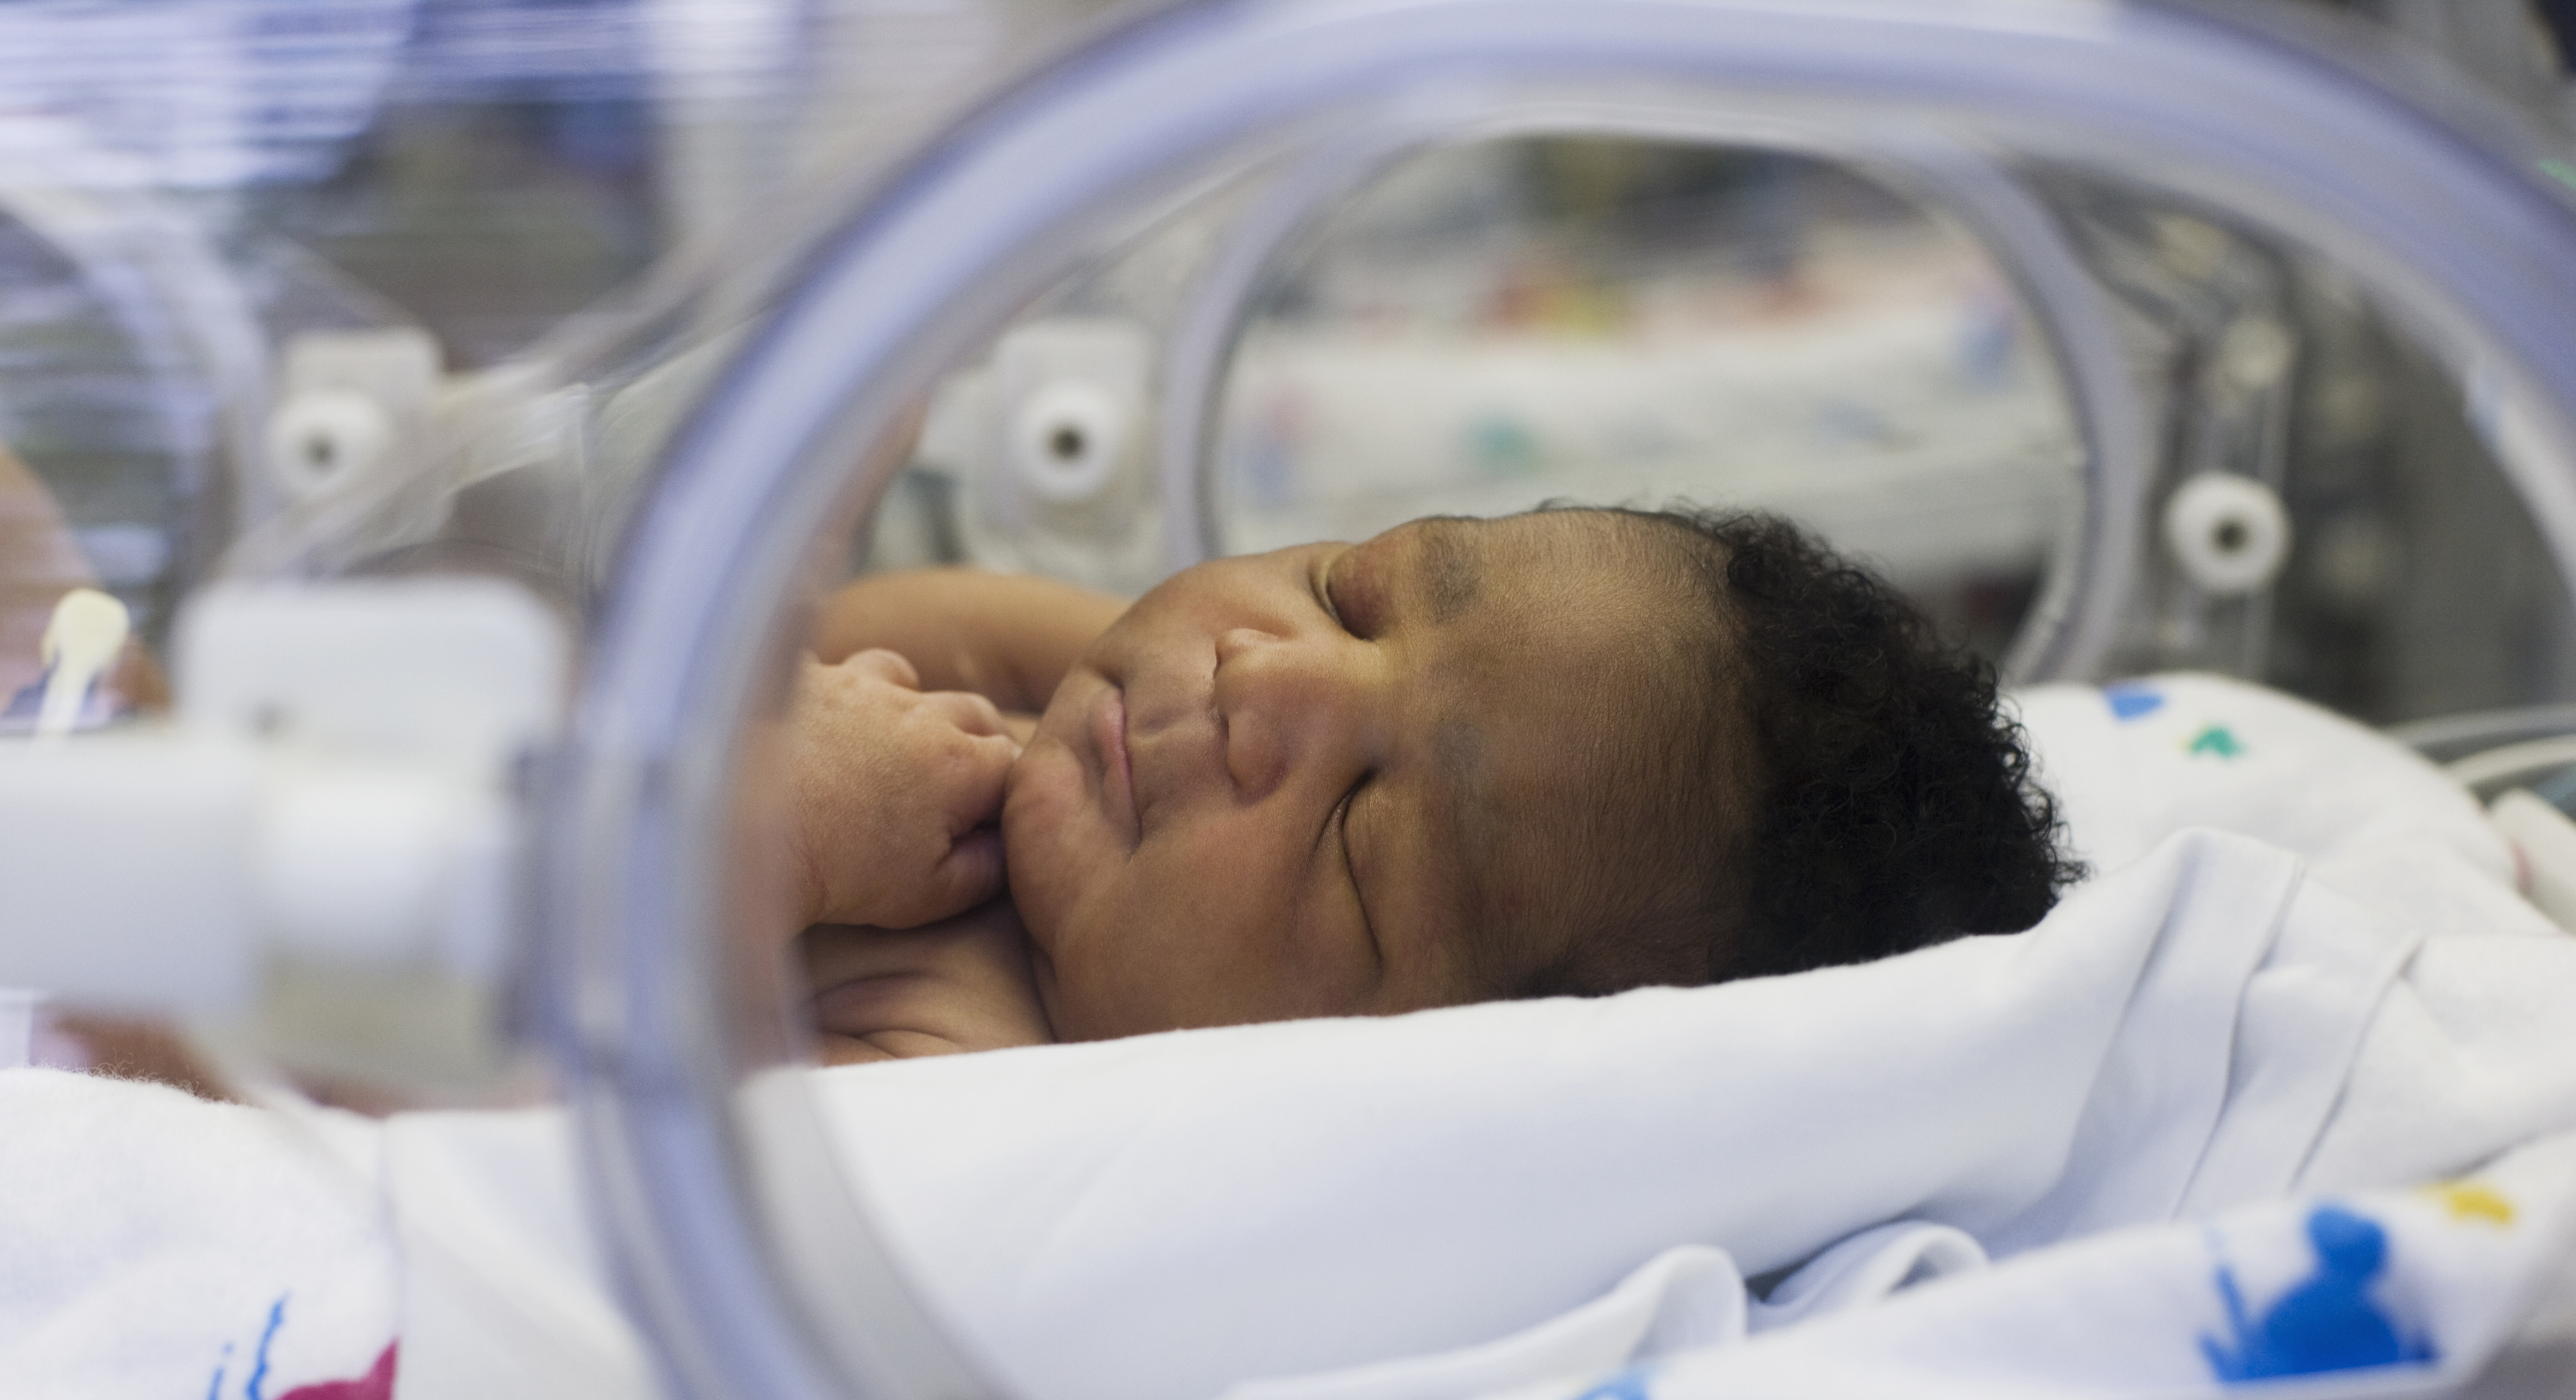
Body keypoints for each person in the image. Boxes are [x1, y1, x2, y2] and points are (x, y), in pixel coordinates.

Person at [784, 504, 2080, 1064]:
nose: (1262, 680)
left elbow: (603, 1153)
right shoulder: (1121, 712)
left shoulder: (972, 1069)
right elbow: (834, 628)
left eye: (1358, 845)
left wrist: (761, 835)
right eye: (1351, 598)